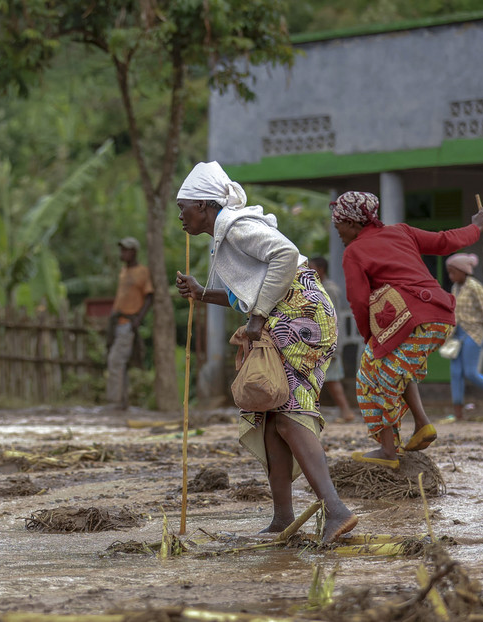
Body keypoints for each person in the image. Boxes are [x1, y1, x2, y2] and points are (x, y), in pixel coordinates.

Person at [174, 161, 356, 545]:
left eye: (183, 207)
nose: (180, 216)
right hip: (287, 316)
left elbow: (286, 255)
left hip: (300, 317)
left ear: (204, 205)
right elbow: (251, 291)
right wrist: (201, 293)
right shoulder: (226, 233)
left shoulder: (236, 226)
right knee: (271, 418)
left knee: (288, 415)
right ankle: (282, 519)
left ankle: (336, 510)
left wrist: (258, 316)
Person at [331, 191, 483, 466]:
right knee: (397, 369)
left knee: (371, 375)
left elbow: (358, 301)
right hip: (440, 316)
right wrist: (475, 227)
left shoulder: (353, 252)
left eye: (339, 227)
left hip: (411, 319)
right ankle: (422, 424)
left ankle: (388, 451)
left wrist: (370, 339)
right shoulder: (401, 231)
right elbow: (444, 241)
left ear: (353, 223)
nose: (338, 233)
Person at [444, 253, 483, 421]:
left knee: (470, 372)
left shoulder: (475, 287)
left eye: (453, 272)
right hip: (457, 333)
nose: (450, 276)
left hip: (474, 332)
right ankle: (458, 412)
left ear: (463, 271)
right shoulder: (455, 288)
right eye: (449, 272)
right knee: (456, 373)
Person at [105, 237, 153, 410]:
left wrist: (137, 320)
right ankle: (121, 401)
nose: (122, 253)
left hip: (128, 323)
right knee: (120, 363)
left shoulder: (142, 272)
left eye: (126, 250)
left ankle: (115, 402)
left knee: (115, 361)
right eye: (121, 250)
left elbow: (149, 296)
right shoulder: (123, 271)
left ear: (134, 252)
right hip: (117, 322)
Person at [307, 256, 356, 423]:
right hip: (322, 342)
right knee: (324, 379)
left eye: (311, 268)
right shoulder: (319, 288)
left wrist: (333, 345)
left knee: (332, 380)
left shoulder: (329, 290)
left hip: (328, 342)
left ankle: (346, 411)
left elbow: (333, 318)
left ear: (321, 270)